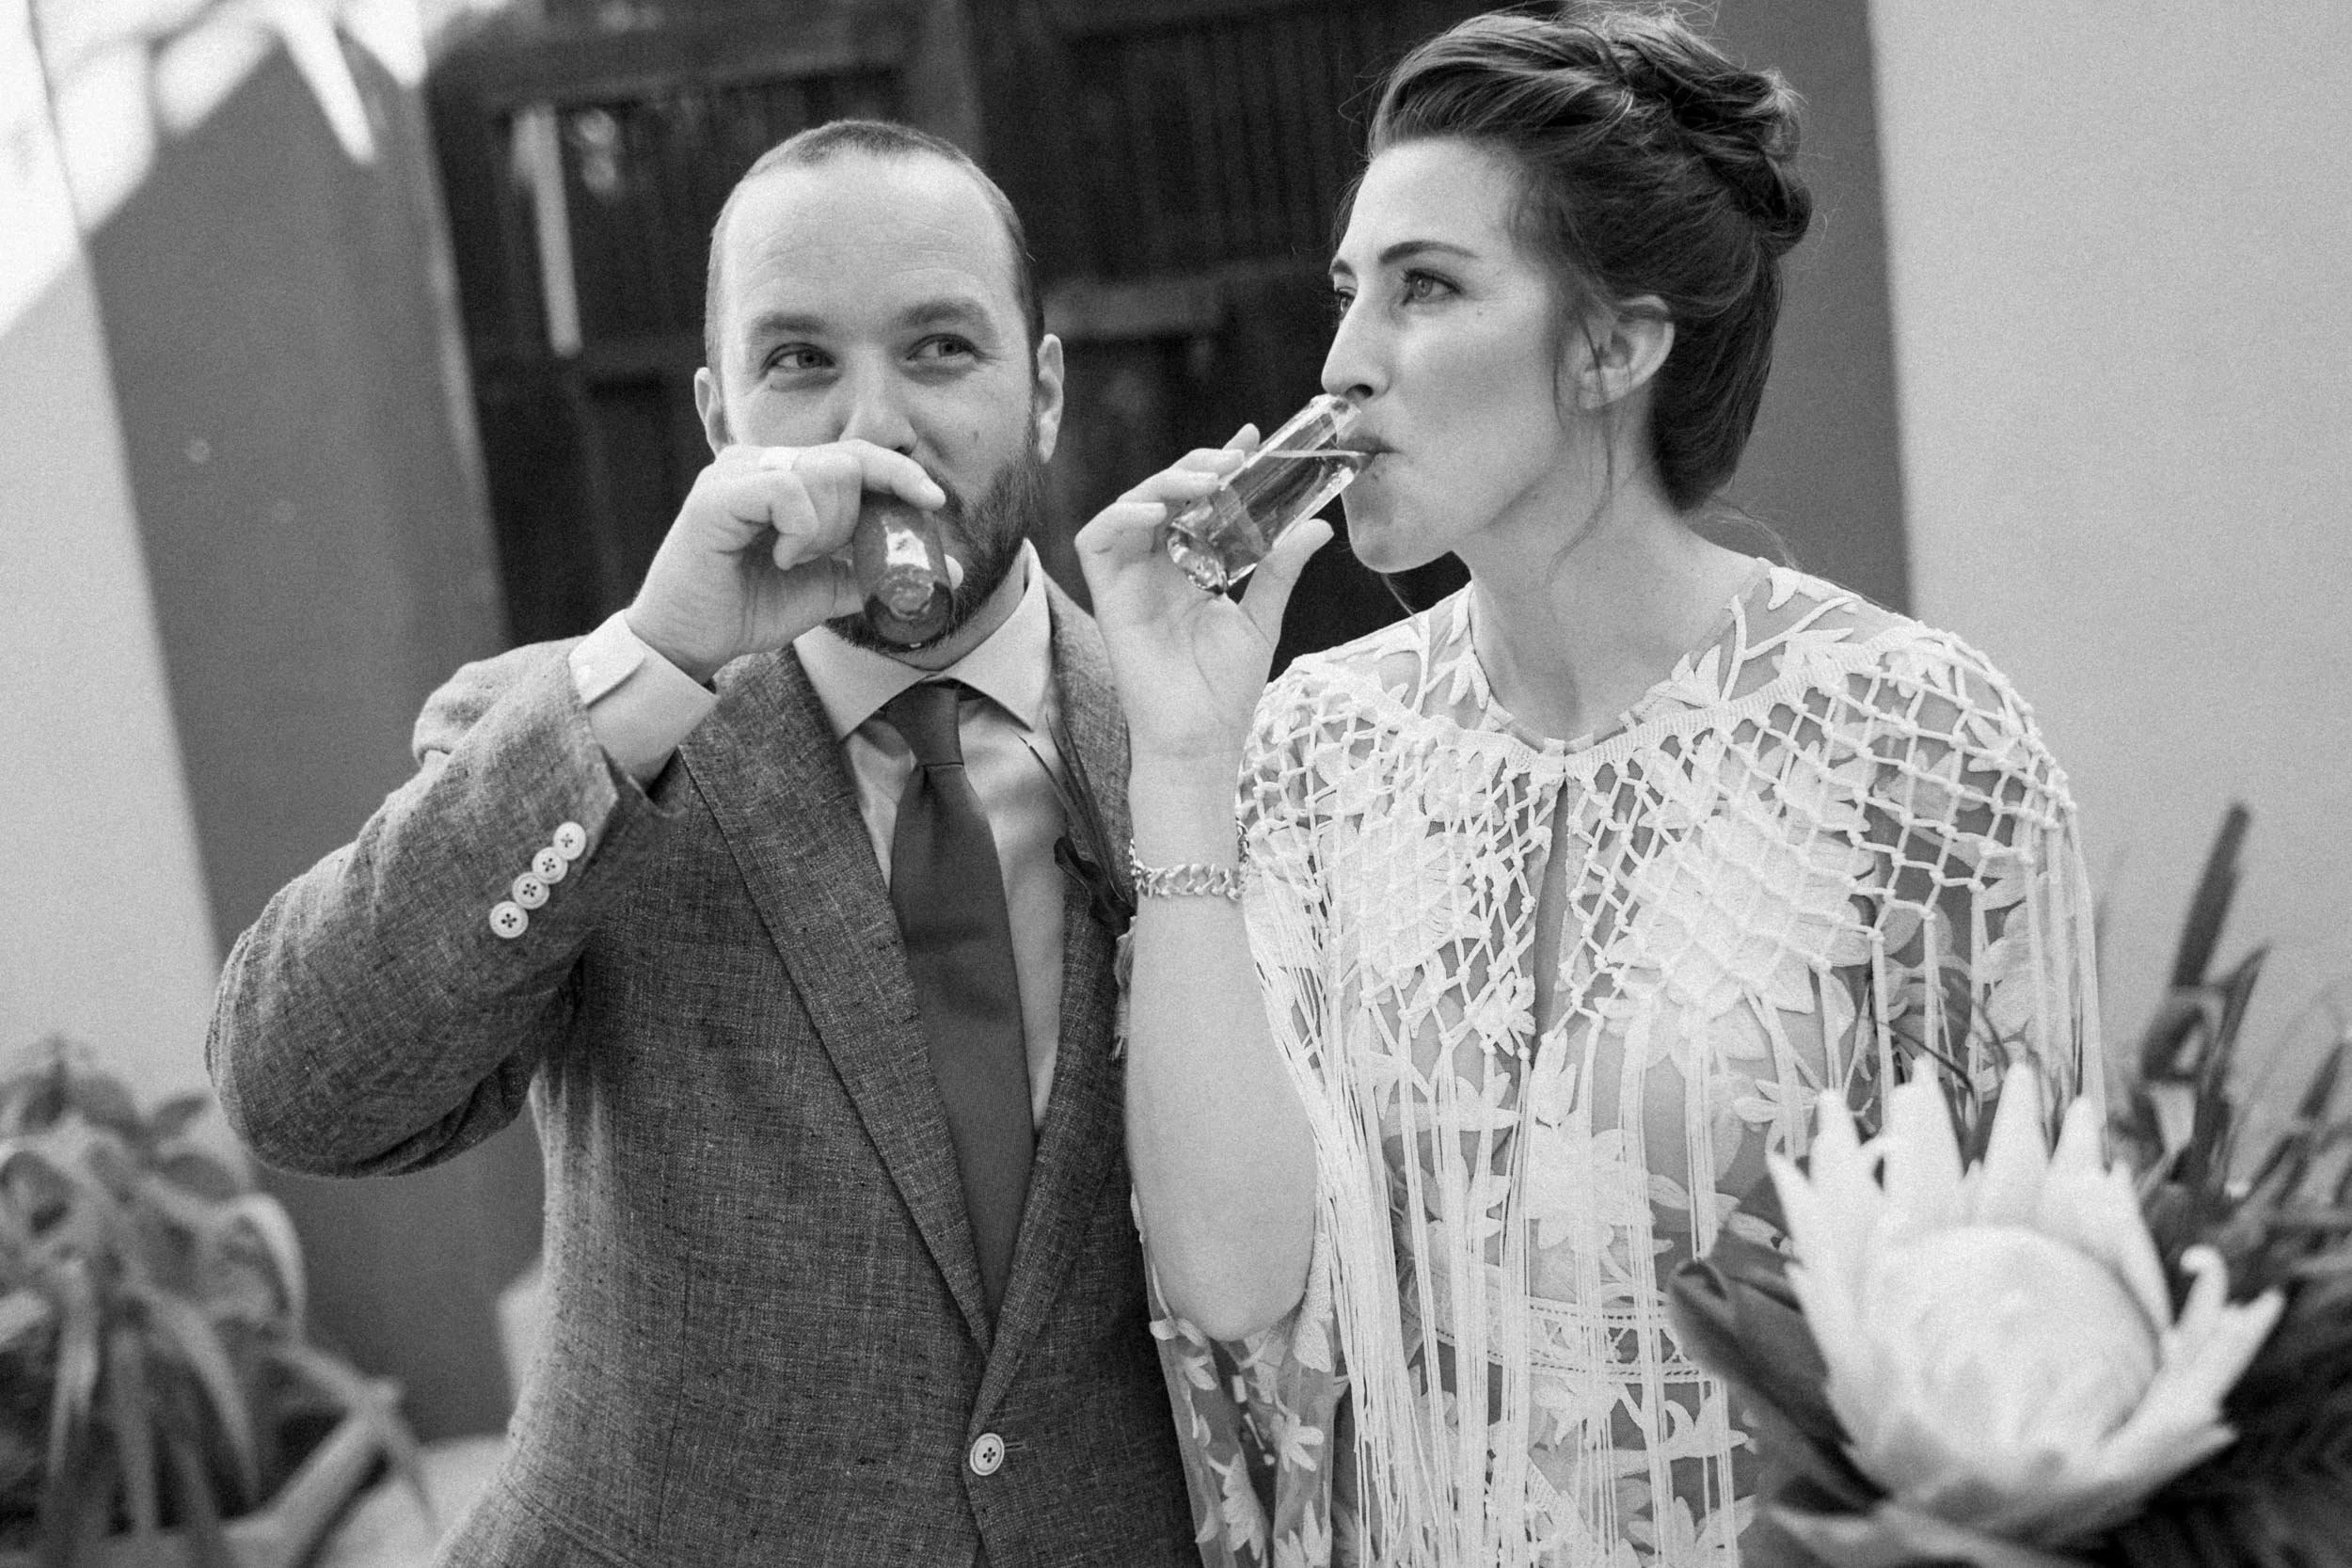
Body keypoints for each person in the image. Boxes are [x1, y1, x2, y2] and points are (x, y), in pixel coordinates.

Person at [1076, 8, 2105, 1565]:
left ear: (1616, 344)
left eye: (1427, 289)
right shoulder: (1309, 749)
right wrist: (1179, 757)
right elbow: (1232, 1281)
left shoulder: (1917, 746)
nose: (1344, 366)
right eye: (1350, 291)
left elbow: (2032, 1351)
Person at [208, 120, 1194, 1566]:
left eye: (940, 349)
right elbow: (298, 1086)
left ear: (1043, 393)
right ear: (719, 417)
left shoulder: (1198, 745)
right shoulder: (570, 740)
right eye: (800, 361)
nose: (876, 426)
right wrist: (646, 676)